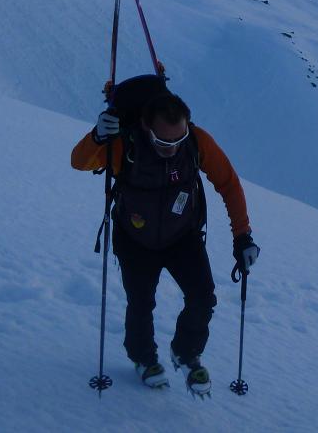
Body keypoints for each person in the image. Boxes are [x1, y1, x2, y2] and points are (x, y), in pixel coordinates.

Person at [71, 89, 259, 396]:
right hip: (134, 238)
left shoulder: (198, 142)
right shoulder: (124, 142)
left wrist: (243, 235)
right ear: (146, 127)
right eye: (163, 142)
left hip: (182, 235)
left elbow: (228, 183)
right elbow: (78, 161)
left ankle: (186, 352)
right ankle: (143, 358)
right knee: (141, 303)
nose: (172, 148)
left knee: (203, 297)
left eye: (178, 140)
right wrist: (96, 137)